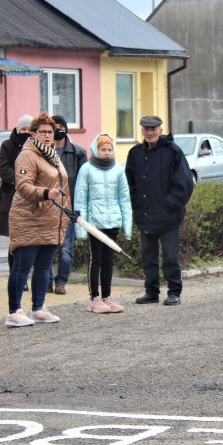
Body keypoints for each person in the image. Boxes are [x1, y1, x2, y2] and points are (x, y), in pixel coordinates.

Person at [4, 113, 70, 327]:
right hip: (29, 219)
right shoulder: (27, 155)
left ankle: (38, 308)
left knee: (44, 267)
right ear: (33, 134)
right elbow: (22, 186)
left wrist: (67, 211)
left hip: (51, 220)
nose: (47, 136)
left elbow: (63, 188)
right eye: (42, 132)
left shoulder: (52, 155)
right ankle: (14, 312)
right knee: (22, 267)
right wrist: (44, 193)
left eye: (50, 132)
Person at [126, 115, 194, 306]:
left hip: (169, 216)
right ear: (142, 131)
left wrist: (169, 204)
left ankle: (174, 291)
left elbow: (185, 184)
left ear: (160, 131)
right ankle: (151, 292)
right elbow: (130, 184)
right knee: (148, 257)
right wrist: (136, 206)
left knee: (170, 257)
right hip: (145, 215)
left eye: (153, 129)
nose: (150, 132)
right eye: (146, 129)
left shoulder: (173, 152)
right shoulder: (135, 153)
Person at [74, 133, 132, 313]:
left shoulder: (118, 169)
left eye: (109, 149)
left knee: (109, 261)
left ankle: (107, 296)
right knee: (96, 260)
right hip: (94, 223)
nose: (107, 153)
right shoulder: (86, 169)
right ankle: (94, 298)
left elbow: (124, 199)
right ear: (95, 150)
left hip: (113, 221)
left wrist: (127, 226)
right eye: (103, 149)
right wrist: (81, 227)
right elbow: (80, 199)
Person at [49, 114, 87, 295]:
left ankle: (61, 282)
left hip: (68, 208)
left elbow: (83, 183)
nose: (58, 129)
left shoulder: (78, 153)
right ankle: (46, 281)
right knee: (46, 247)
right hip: (47, 208)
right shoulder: (42, 151)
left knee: (66, 249)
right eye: (54, 126)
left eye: (61, 126)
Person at [0, 114, 33, 282]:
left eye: (29, 129)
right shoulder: (7, 146)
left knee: (29, 242)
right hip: (11, 199)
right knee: (16, 242)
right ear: (18, 129)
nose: (26, 132)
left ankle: (25, 276)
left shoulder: (36, 147)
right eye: (23, 129)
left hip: (32, 200)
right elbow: (3, 169)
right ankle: (17, 277)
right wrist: (22, 181)